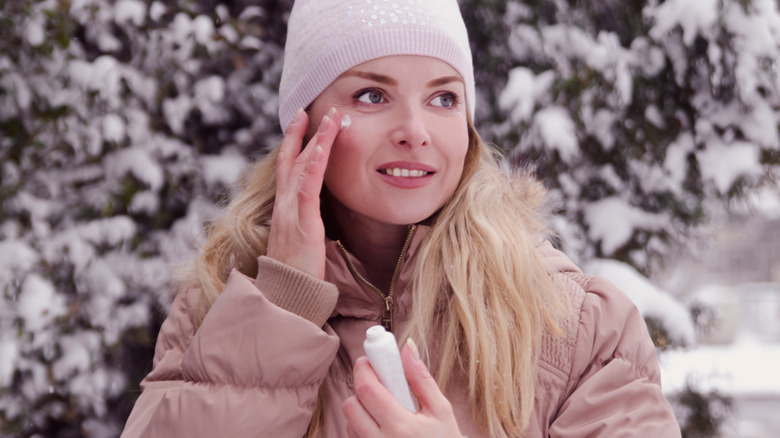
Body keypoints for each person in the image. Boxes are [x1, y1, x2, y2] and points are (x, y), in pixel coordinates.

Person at [121, 0, 681, 436]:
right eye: (371, 95)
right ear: (304, 121)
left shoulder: (575, 326)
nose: (416, 130)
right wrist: (282, 307)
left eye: (443, 99)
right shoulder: (219, 306)